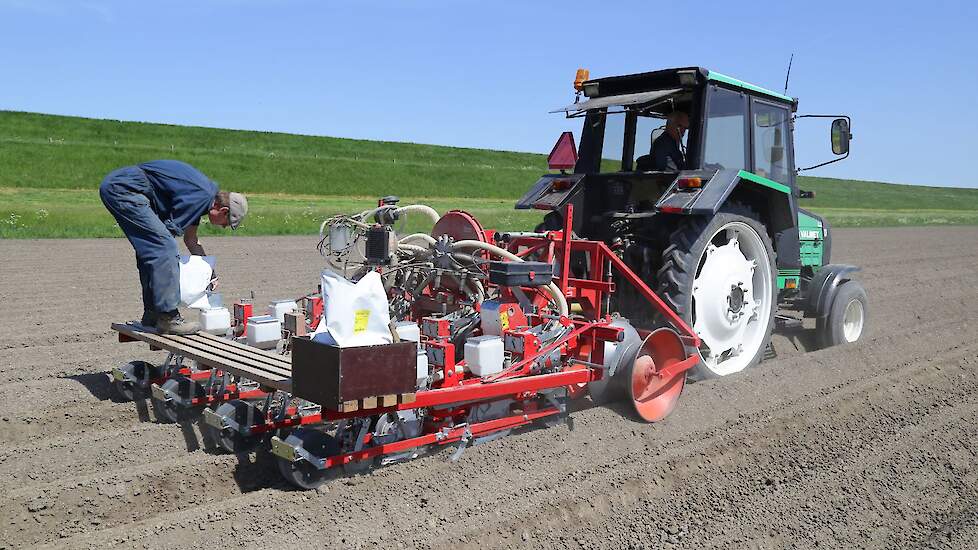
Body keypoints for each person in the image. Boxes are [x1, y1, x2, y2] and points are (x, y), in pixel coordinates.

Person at [99, 160, 248, 335]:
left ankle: (152, 315)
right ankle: (168, 317)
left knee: (153, 250)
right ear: (222, 210)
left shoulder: (201, 198)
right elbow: (166, 240)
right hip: (126, 189)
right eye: (226, 223)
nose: (223, 227)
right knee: (164, 247)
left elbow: (191, 240)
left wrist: (210, 272)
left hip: (125, 187)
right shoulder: (201, 196)